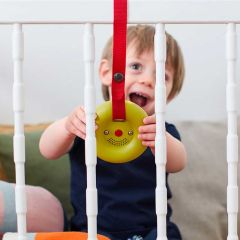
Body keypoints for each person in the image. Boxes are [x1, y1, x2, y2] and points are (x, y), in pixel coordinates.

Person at [39, 25, 187, 240]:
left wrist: (162, 141)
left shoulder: (161, 131)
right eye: (136, 66)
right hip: (92, 231)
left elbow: (179, 163)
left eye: (162, 76)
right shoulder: (90, 123)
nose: (148, 80)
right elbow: (47, 150)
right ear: (107, 73)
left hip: (150, 231)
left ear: (170, 95)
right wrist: (67, 126)